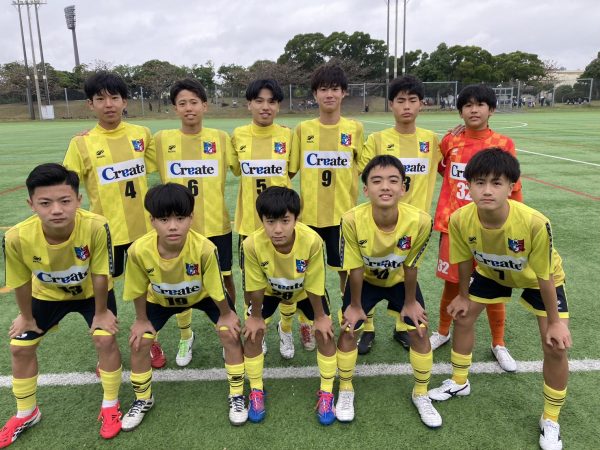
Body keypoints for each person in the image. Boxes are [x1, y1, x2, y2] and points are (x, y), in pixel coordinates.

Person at [428, 148, 571, 450]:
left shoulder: (534, 222)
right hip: (492, 272)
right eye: (479, 182)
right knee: (463, 317)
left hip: (537, 279)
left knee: (554, 345)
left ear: (511, 187)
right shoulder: (459, 219)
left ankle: (550, 418)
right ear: (468, 186)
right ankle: (459, 381)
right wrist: (463, 296)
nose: (487, 190)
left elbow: (545, 275)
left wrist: (555, 323)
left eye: (496, 183)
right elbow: (464, 261)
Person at [0, 163, 123, 447]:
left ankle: (110, 404)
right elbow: (20, 282)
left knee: (105, 339)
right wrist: (26, 317)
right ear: (31, 204)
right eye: (45, 203)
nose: (56, 210)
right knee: (20, 347)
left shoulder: (96, 225)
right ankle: (27, 412)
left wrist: (101, 312)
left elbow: (101, 273)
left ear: (78, 200)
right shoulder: (16, 237)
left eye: (65, 201)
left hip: (91, 295)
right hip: (47, 295)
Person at [62, 71, 169, 370]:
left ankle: (150, 339)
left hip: (144, 230)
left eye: (114, 97)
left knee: (149, 288)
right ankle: (106, 349)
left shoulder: (141, 134)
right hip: (105, 234)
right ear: (90, 104)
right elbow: (67, 186)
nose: (108, 104)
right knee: (103, 290)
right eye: (100, 99)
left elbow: (162, 160)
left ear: (125, 101)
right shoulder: (81, 143)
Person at [121, 183, 247, 431]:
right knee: (140, 341)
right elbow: (137, 288)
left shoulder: (205, 248)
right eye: (164, 219)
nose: (172, 226)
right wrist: (141, 319)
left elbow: (216, 288)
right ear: (152, 220)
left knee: (230, 333)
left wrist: (226, 314)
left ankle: (237, 394)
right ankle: (143, 399)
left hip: (202, 296)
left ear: (191, 218)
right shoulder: (138, 250)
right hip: (160, 299)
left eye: (180, 218)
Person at [335, 155, 442, 428]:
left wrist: (410, 302)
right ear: (366, 189)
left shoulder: (420, 221)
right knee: (349, 329)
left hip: (399, 281)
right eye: (377, 181)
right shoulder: (351, 219)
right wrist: (355, 306)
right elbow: (355, 268)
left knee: (419, 330)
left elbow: (411, 265)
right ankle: (345, 388)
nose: (385, 186)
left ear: (403, 188)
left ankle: (421, 393)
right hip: (365, 281)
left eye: (393, 180)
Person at [431, 84, 523, 373]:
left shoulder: (503, 144)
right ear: (460, 111)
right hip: (454, 226)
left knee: (494, 284)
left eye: (480, 104)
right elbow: (442, 171)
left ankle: (499, 342)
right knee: (452, 284)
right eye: (468, 105)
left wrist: (513, 224)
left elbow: (513, 187)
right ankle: (442, 331)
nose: (474, 110)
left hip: (491, 230)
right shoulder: (450, 141)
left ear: (491, 110)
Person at [356, 75, 442, 354]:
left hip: (415, 224)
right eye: (400, 100)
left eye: (412, 100)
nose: (406, 106)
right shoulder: (377, 140)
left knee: (407, 269)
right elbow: (365, 176)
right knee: (371, 269)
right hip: (379, 221)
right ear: (391, 104)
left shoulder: (432, 141)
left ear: (421, 104)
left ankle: (402, 326)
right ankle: (367, 327)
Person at [153, 78, 236, 366]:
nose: (189, 108)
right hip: (177, 229)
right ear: (175, 108)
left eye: (194, 102)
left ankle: (228, 331)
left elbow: (246, 162)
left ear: (205, 105)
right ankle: (186, 335)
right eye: (182, 103)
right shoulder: (161, 140)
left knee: (225, 279)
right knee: (179, 282)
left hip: (216, 225)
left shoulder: (221, 138)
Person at [230, 79, 313, 358]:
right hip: (249, 225)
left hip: (284, 225)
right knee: (252, 282)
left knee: (290, 278)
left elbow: (290, 172)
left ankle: (286, 328)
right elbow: (236, 170)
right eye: (259, 101)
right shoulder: (238, 135)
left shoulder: (288, 135)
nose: (265, 107)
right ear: (249, 104)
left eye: (272, 101)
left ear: (278, 106)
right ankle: (258, 327)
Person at [241, 187, 337, 425]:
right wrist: (255, 317)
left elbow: (315, 282)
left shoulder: (312, 241)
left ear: (296, 218)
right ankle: (256, 389)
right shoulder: (251, 244)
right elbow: (255, 285)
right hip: (270, 291)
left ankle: (327, 392)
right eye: (270, 221)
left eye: (285, 221)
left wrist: (320, 317)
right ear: (262, 220)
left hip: (304, 290)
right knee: (252, 333)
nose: (277, 229)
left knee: (325, 332)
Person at [289, 63, 364, 297]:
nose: (329, 94)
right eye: (323, 89)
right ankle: (310, 313)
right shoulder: (303, 129)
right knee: (303, 271)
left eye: (334, 89)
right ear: (315, 94)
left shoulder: (355, 129)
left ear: (344, 92)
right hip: (308, 216)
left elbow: (360, 168)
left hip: (342, 215)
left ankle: (347, 310)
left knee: (345, 270)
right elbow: (290, 170)